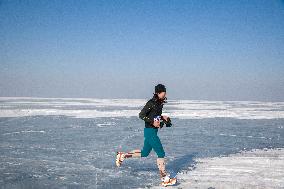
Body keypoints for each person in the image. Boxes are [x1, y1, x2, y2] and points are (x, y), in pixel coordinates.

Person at [115, 84, 176, 186]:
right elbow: (141, 115)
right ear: (158, 92)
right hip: (150, 131)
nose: (164, 95)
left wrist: (163, 118)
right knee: (161, 153)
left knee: (144, 153)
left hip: (152, 132)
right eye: (163, 93)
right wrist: (152, 122)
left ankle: (123, 155)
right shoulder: (151, 103)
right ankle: (164, 178)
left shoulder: (159, 104)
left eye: (165, 93)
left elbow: (155, 116)